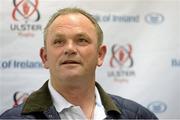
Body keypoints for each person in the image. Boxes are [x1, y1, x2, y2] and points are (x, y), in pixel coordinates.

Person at [0, 7, 158, 119]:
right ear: (45, 57)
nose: (69, 49)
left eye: (81, 40)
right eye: (59, 41)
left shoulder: (139, 116)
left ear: (100, 55)